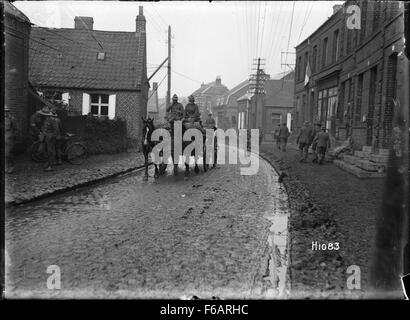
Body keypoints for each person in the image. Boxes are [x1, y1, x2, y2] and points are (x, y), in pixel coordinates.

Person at [39, 107, 58, 171]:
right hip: (44, 137)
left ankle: (50, 166)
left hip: (50, 138)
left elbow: (56, 130)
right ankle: (48, 161)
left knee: (50, 151)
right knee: (41, 150)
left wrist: (51, 136)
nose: (42, 115)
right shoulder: (44, 120)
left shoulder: (52, 120)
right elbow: (43, 128)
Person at [5, 105, 18, 173]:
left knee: (8, 153)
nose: (5, 113)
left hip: (9, 139)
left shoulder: (12, 119)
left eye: (6, 111)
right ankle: (6, 166)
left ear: (8, 112)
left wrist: (12, 136)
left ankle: (11, 166)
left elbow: (16, 129)